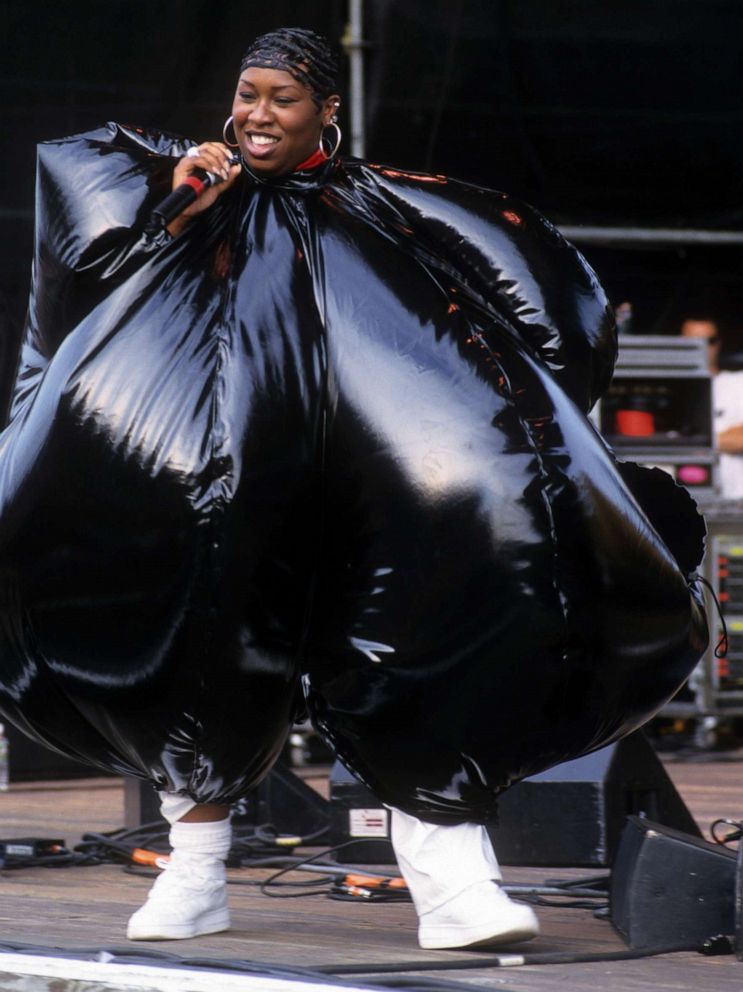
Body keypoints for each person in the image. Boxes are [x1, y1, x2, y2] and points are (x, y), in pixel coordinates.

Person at [0, 28, 706, 950]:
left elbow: (536, 307)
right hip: (209, 471)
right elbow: (73, 293)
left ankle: (452, 883)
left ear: (326, 109)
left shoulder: (376, 209)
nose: (257, 114)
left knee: (424, 624)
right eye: (247, 93)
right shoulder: (186, 198)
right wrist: (178, 207)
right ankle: (194, 871)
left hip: (369, 473)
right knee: (191, 627)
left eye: (281, 98)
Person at [681, 316, 743, 499]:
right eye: (693, 341)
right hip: (680, 503)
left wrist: (687, 442)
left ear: (719, 344)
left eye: (710, 341)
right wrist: (722, 439)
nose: (702, 347)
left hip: (734, 504)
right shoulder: (666, 389)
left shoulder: (739, 383)